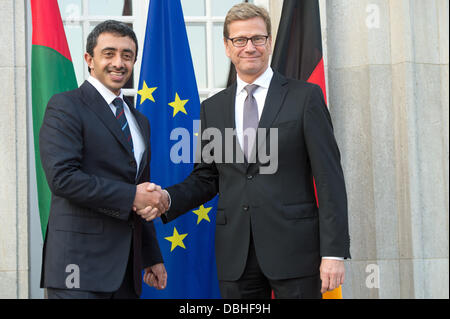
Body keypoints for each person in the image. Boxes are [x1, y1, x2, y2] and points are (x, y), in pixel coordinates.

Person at [141, 3, 350, 299]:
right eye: (240, 40)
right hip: (236, 258)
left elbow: (329, 179)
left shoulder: (305, 98)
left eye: (257, 38)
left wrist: (333, 252)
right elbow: (207, 178)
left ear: (269, 42)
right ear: (227, 46)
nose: (249, 47)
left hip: (296, 253)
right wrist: (167, 198)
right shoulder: (213, 109)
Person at [39, 20, 168, 299]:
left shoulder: (139, 120)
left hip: (126, 269)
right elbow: (63, 178)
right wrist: (132, 195)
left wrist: (151, 255)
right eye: (109, 53)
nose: (118, 63)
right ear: (89, 59)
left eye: (127, 55)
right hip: (77, 266)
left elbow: (140, 191)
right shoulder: (65, 106)